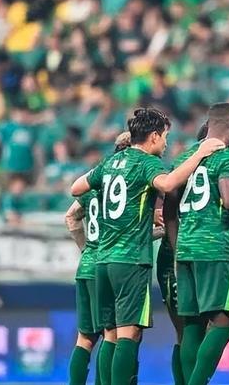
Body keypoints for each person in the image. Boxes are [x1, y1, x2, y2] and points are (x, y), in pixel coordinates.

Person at [70, 108, 225, 385]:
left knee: (110, 334)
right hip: (130, 261)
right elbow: (167, 184)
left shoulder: (111, 161)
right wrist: (199, 153)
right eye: (165, 136)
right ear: (153, 136)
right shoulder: (147, 163)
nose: (165, 143)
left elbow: (76, 188)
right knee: (128, 334)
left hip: (102, 260)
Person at [163, 103, 229, 385]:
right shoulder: (227, 157)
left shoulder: (185, 158)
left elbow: (169, 210)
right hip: (215, 249)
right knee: (223, 324)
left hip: (185, 250)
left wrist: (177, 247)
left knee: (192, 326)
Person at [64, 131, 130, 385]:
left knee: (85, 338)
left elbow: (71, 217)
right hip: (109, 261)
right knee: (112, 333)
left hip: (87, 265)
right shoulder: (123, 183)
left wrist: (86, 249)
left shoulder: (95, 180)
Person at [156, 122, 209, 385]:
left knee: (200, 329)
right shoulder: (181, 168)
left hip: (202, 255)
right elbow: (165, 211)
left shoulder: (219, 169)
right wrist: (177, 253)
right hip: (175, 258)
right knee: (186, 329)